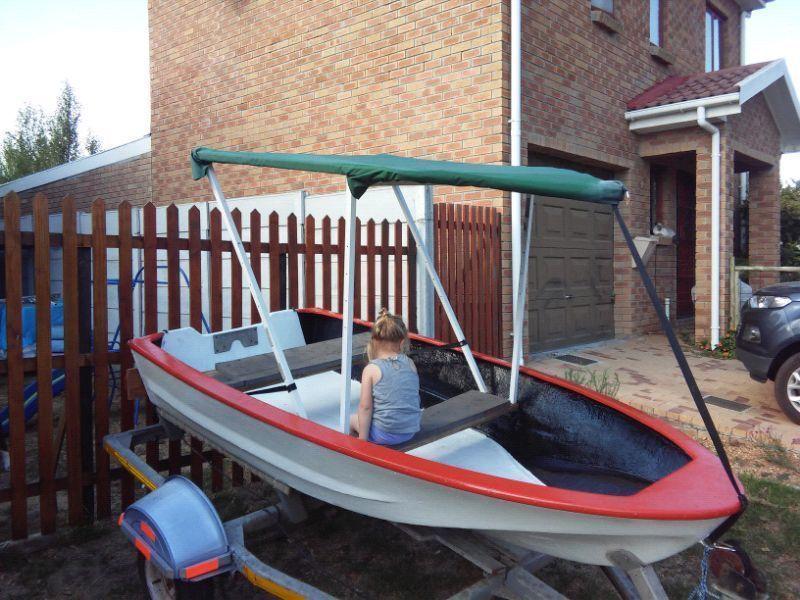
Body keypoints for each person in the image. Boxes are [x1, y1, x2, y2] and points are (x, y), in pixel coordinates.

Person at [350, 309, 421, 445]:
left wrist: (362, 440)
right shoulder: (410, 363)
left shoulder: (371, 369)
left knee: (351, 420)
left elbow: (365, 407)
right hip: (410, 431)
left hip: (383, 434)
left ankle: (357, 453)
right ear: (401, 342)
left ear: (374, 342)